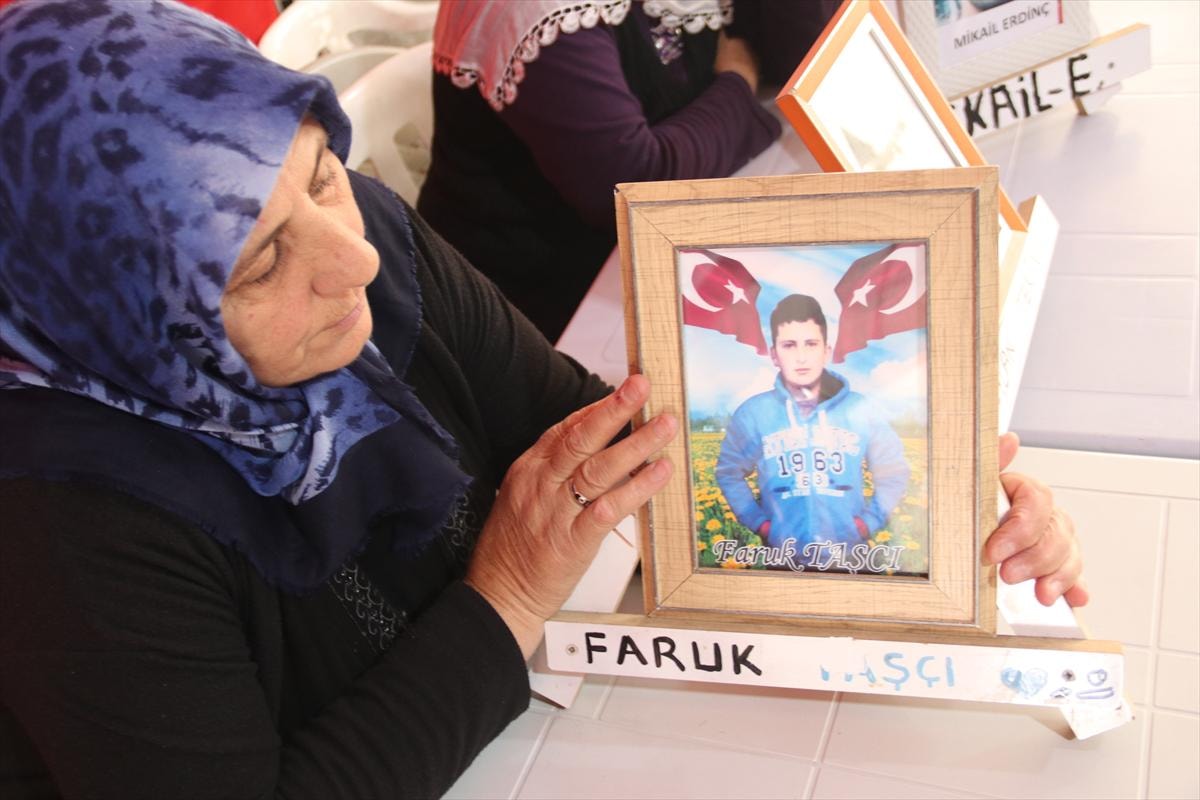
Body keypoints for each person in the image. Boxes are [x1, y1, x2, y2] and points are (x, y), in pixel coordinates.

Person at [0, 2, 1083, 797]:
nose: (350, 258)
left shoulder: (374, 240)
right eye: (260, 258)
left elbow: (594, 432)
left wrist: (920, 509)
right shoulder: (63, 516)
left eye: (322, 171)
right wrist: (511, 593)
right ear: (114, 312)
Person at [417, 0, 838, 341]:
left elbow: (806, 57)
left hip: (645, 246)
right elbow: (637, 186)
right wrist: (737, 82)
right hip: (539, 300)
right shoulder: (537, 11)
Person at [716, 295, 911, 569]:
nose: (801, 357)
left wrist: (868, 522)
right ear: (774, 354)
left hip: (850, 559)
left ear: (826, 351)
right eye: (789, 345)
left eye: (811, 344)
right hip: (781, 560)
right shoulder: (753, 413)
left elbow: (893, 470)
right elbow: (728, 472)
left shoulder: (861, 409)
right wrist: (761, 524)